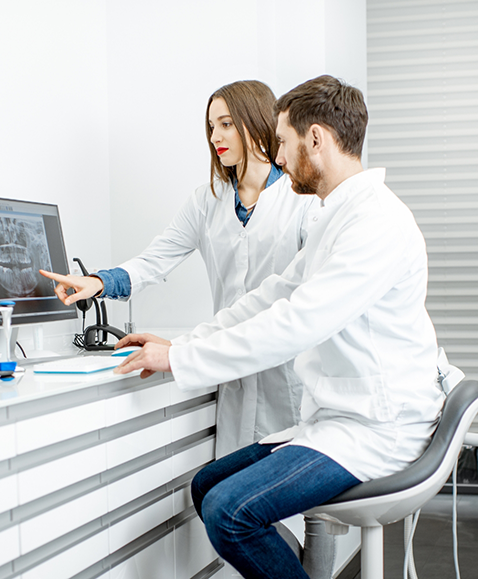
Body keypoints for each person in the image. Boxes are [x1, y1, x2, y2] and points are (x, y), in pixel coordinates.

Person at [110, 75, 445, 579]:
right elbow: (270, 297)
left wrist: (180, 361)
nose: (280, 156)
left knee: (230, 512)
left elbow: (296, 323)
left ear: (316, 139)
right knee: (208, 488)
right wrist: (184, 344)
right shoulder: (339, 216)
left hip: (379, 427)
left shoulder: (375, 223)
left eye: (285, 142)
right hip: (339, 418)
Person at [41, 80, 315, 459]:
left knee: (292, 508)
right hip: (230, 372)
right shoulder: (208, 201)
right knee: (230, 492)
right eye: (210, 127)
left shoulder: (300, 199)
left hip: (288, 374)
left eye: (225, 124)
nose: (215, 136)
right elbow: (155, 259)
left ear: (254, 122)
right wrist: (98, 282)